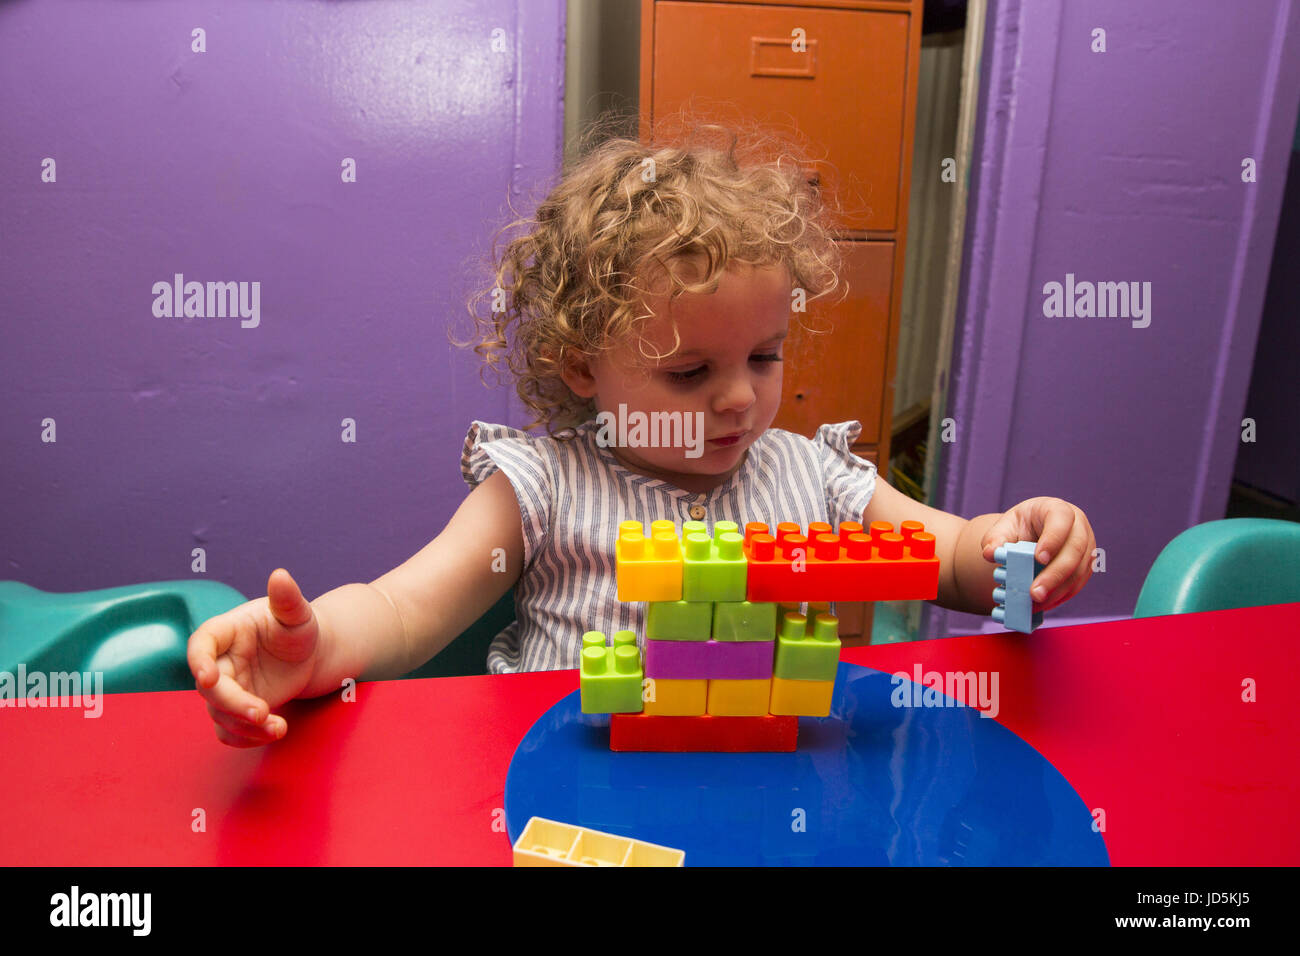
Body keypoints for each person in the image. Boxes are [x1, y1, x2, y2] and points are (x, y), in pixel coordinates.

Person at [188, 120, 1095, 747]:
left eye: (766, 357)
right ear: (583, 367)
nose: (740, 400)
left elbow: (953, 564)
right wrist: (312, 652)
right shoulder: (541, 487)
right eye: (690, 373)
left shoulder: (813, 477)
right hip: (567, 794)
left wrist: (1023, 543)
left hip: (770, 796)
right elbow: (399, 610)